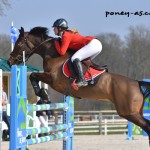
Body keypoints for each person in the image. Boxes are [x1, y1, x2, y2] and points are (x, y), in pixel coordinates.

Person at [53, 18, 102, 87]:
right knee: (82, 61)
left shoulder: (65, 35)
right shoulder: (67, 34)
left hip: (93, 44)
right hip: (96, 44)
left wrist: (56, 42)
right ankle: (88, 77)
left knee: (75, 58)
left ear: (60, 28)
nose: (53, 30)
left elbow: (62, 52)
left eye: (55, 28)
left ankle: (82, 80)